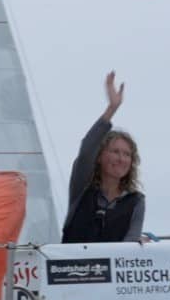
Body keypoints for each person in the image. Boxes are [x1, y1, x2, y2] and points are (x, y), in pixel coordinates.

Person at [60, 71, 145, 243]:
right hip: (73, 268)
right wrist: (112, 109)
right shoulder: (82, 188)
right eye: (115, 152)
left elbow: (129, 245)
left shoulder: (136, 201)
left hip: (112, 269)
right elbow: (86, 150)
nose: (121, 159)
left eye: (127, 154)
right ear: (99, 156)